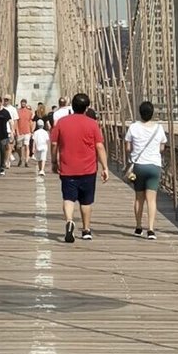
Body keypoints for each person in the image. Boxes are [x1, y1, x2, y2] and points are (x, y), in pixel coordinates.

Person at [49, 92, 107, 242]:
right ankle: (86, 230)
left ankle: (69, 221)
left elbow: (54, 144)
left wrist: (54, 162)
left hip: (68, 168)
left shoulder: (61, 122)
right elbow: (99, 146)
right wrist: (105, 167)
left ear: (72, 106)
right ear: (87, 108)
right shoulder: (92, 124)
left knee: (68, 198)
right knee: (86, 201)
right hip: (88, 169)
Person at [124, 100, 168, 238]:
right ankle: (150, 229)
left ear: (140, 113)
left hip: (139, 166)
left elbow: (128, 148)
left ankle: (138, 227)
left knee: (139, 198)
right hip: (154, 166)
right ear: (152, 114)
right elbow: (162, 147)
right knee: (152, 199)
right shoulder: (158, 128)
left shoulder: (133, 127)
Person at [15, 98, 34, 167]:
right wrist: (16, 131)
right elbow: (16, 122)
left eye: (24, 103)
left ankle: (26, 161)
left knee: (27, 146)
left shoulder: (29, 112)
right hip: (20, 132)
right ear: (20, 103)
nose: (23, 104)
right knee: (18, 147)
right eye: (22, 103)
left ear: (26, 104)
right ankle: (21, 158)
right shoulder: (17, 111)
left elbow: (31, 122)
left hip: (27, 131)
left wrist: (32, 131)